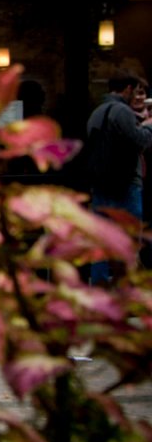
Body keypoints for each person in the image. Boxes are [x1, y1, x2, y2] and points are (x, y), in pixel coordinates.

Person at [84, 74, 152, 284]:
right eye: (137, 90)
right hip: (125, 185)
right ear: (128, 88)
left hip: (102, 185)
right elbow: (140, 141)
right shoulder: (122, 111)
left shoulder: (97, 112)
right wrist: (149, 125)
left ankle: (100, 289)